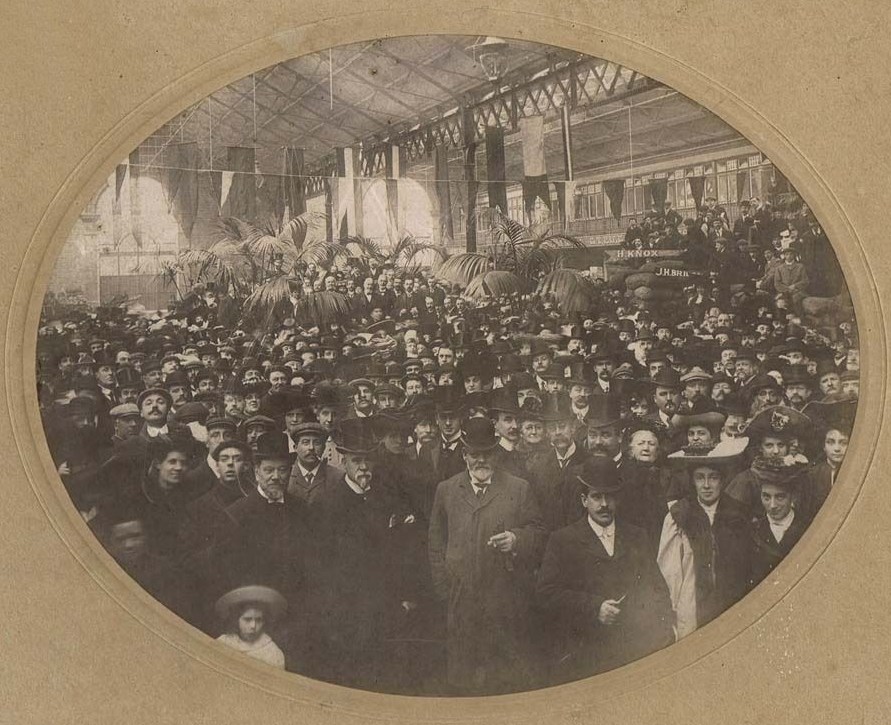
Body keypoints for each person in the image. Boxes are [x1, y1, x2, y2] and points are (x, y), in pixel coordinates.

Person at [428, 417, 547, 695]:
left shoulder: (518, 488)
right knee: (463, 678)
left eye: (487, 454)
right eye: (474, 454)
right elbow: (435, 541)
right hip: (461, 599)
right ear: (464, 455)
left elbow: (540, 532)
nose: (481, 460)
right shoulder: (446, 490)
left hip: (505, 597)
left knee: (503, 677)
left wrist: (516, 538)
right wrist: (445, 588)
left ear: (496, 454)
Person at [535, 457, 674, 683]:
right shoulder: (563, 540)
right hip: (584, 653)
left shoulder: (636, 536)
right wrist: (594, 607)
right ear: (584, 500)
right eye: (596, 496)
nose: (604, 504)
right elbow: (546, 594)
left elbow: (657, 589)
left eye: (609, 496)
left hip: (633, 650)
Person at [657, 438, 752, 638]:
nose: (707, 485)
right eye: (700, 477)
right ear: (693, 481)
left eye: (713, 477)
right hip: (691, 603)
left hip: (731, 601)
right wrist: (672, 610)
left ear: (722, 480)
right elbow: (670, 571)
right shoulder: (679, 515)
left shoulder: (737, 513)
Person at [214, 585, 287, 669]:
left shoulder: (273, 653)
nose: (253, 626)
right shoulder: (223, 643)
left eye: (259, 620)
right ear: (236, 620)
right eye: (247, 620)